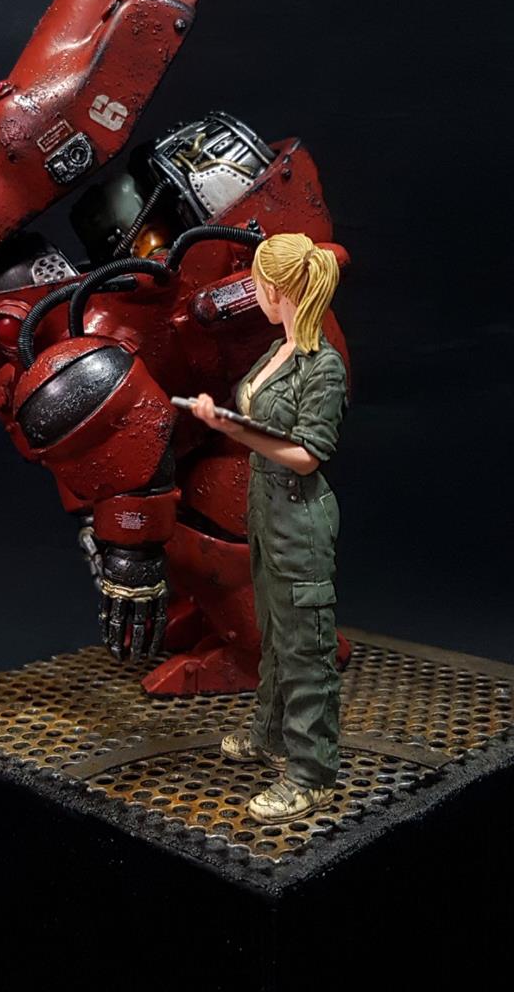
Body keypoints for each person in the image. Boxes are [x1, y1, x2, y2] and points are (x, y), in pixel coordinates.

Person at [189, 232, 348, 823]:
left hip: (298, 518)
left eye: (258, 284)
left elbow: (308, 454)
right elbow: (258, 413)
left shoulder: (322, 366)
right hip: (266, 511)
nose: (253, 295)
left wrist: (235, 431)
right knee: (276, 633)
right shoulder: (276, 352)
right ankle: (272, 733)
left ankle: (311, 773)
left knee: (306, 645)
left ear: (278, 290)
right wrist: (224, 417)